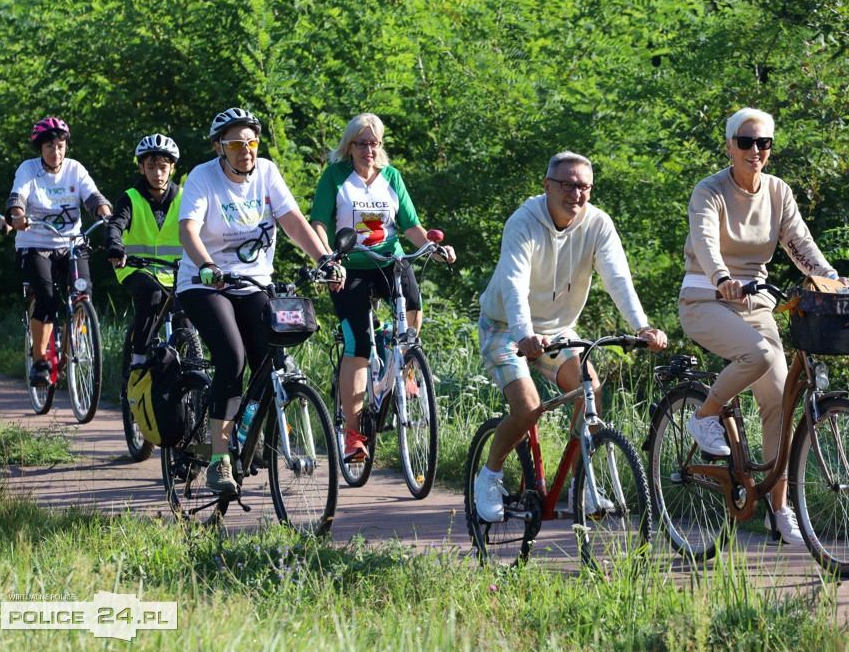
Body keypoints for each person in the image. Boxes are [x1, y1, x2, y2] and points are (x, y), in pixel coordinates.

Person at [472, 151, 667, 522]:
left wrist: (642, 325)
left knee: (589, 388)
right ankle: (490, 475)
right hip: (505, 326)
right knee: (528, 409)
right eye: (566, 184)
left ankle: (580, 485)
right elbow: (514, 285)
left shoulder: (598, 224)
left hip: (557, 329)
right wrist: (524, 334)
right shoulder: (523, 222)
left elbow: (617, 278)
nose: (575, 193)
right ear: (546, 186)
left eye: (583, 186)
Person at [679, 107, 843, 545]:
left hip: (754, 303)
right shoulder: (709, 190)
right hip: (704, 299)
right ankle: (705, 415)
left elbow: (799, 242)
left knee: (779, 402)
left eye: (764, 143)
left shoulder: (777, 192)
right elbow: (705, 241)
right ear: (730, 144)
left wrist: (830, 280)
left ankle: (779, 509)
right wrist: (722, 280)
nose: (756, 151)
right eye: (747, 142)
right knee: (762, 353)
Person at [176, 107, 345, 495]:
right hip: (205, 284)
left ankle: (252, 442)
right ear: (220, 147)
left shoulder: (266, 172)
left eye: (252, 142)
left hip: (253, 283)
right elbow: (188, 229)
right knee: (232, 358)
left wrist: (323, 260)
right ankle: (220, 459)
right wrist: (204, 264)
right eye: (237, 144)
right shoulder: (203, 177)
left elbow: (293, 221)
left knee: (271, 360)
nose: (246, 150)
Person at [309, 112, 456, 462]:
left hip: (389, 260)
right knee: (359, 342)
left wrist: (434, 249)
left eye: (374, 143)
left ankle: (401, 364)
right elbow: (317, 223)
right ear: (349, 146)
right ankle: (354, 434)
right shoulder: (335, 177)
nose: (369, 150)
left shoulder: (391, 177)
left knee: (413, 306)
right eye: (361, 143)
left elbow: (411, 226)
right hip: (350, 267)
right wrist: (327, 258)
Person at [6, 117, 112, 386]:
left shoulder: (75, 170)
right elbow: (17, 199)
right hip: (35, 245)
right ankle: (41, 361)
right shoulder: (28, 170)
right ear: (40, 149)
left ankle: (68, 352)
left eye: (60, 146)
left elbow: (93, 196)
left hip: (71, 244)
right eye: (49, 147)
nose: (56, 153)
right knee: (47, 298)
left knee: (82, 292)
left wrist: (104, 211)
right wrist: (17, 216)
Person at [105, 134, 184, 367]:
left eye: (162, 167)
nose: (157, 174)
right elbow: (116, 225)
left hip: (176, 271)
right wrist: (115, 246)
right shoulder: (130, 198)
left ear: (172, 169)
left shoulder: (184, 196)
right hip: (136, 267)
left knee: (188, 309)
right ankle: (138, 360)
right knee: (151, 294)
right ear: (141, 168)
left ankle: (188, 363)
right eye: (151, 167)